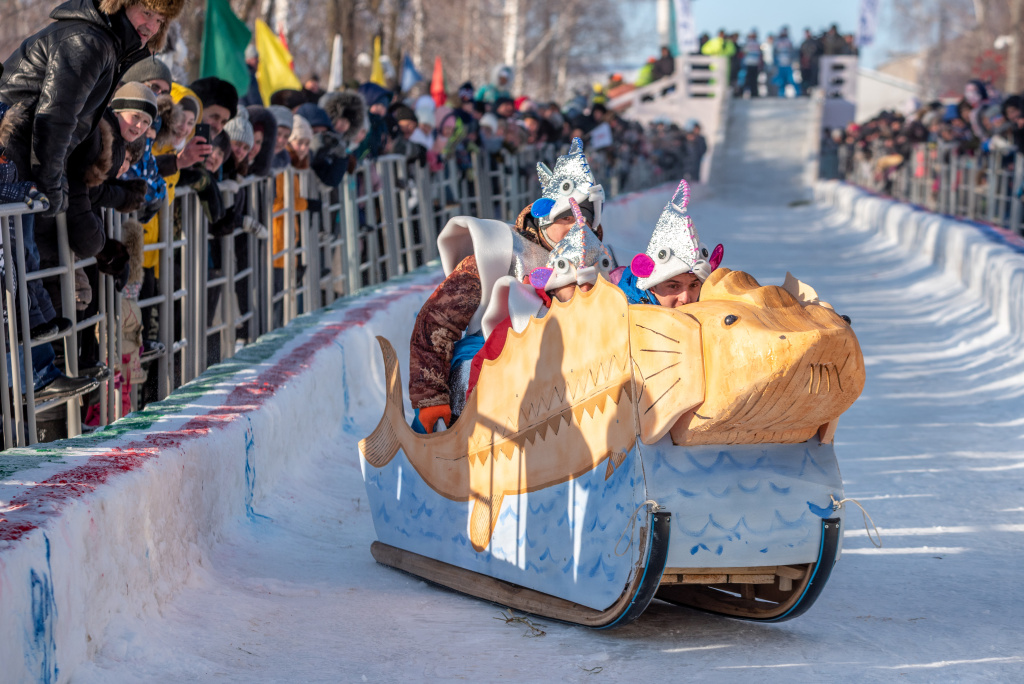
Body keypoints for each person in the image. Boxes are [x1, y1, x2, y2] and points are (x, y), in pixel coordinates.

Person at [408, 138, 606, 433]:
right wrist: (430, 397)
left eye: (584, 220)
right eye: (565, 217)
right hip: (490, 357)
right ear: (544, 215)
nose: (575, 227)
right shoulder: (502, 249)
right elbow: (437, 320)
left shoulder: (597, 259)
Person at [463, 198, 616, 406]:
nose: (585, 293)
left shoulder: (614, 313)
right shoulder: (522, 319)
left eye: (592, 285)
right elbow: (483, 376)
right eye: (565, 217)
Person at [614, 179, 722, 308]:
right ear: (652, 286)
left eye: (694, 285)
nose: (685, 298)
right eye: (673, 286)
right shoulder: (620, 317)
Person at [773, 27, 800, 97]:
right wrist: (775, 62)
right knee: (781, 81)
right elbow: (774, 53)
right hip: (780, 64)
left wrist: (794, 61)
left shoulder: (789, 41)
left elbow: (793, 52)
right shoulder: (777, 42)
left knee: (791, 79)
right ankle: (781, 93)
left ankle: (798, 92)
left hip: (788, 64)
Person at [738, 31, 762, 98]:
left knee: (751, 80)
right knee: (748, 79)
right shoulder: (751, 43)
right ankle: (748, 93)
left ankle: (753, 93)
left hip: (753, 64)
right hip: (749, 64)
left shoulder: (750, 43)